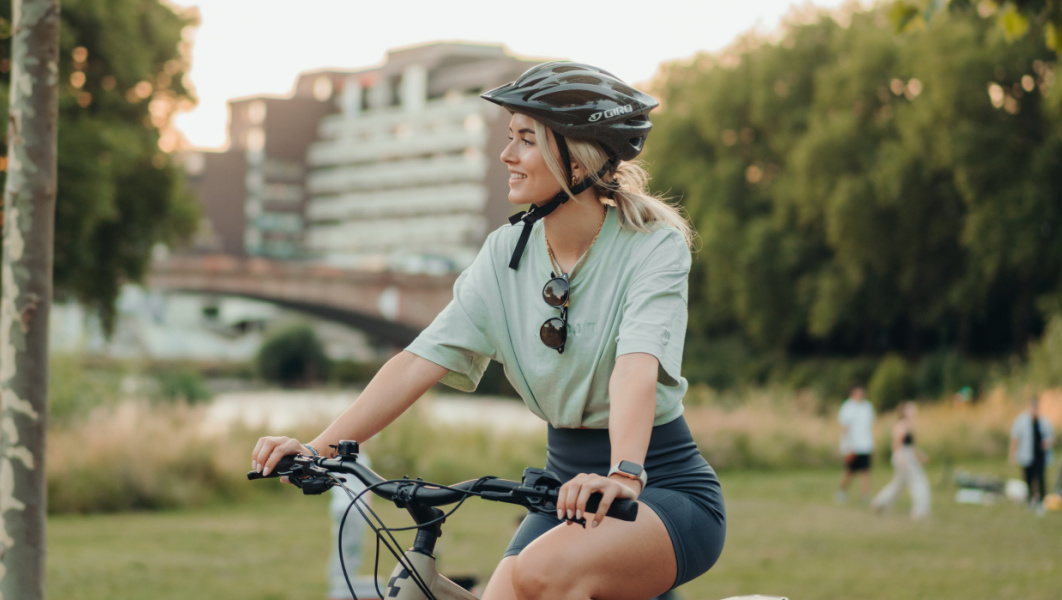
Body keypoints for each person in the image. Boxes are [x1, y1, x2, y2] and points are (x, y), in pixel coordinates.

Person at [252, 62, 725, 599]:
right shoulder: (505, 255)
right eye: (509, 137)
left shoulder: (651, 246)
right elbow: (417, 360)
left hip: (656, 488)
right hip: (559, 492)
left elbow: (635, 367)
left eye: (526, 139)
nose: (507, 155)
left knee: (535, 576)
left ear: (577, 159)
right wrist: (319, 450)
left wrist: (622, 473)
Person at [327, 451, 382, 600]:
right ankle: (342, 585)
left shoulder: (333, 456)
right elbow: (368, 485)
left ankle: (340, 583)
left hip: (340, 506)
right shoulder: (361, 457)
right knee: (351, 547)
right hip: (353, 507)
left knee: (343, 545)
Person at [870, 402, 931, 519]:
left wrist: (921, 455)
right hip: (903, 458)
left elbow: (910, 445)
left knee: (898, 485)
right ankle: (919, 512)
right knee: (919, 482)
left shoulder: (909, 425)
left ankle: (879, 503)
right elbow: (896, 445)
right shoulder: (902, 425)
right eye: (910, 409)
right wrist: (902, 459)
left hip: (906, 456)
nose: (914, 410)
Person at [1008, 395, 1055, 513]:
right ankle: (1029, 500)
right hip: (1026, 455)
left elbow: (1051, 436)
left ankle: (1041, 501)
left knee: (1041, 479)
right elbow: (1015, 437)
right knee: (1028, 479)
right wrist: (1011, 454)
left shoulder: (1043, 420)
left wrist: (1047, 443)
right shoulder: (1022, 420)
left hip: (1040, 456)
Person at [835, 385, 875, 504]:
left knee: (865, 471)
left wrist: (872, 444)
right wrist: (846, 446)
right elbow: (844, 428)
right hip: (852, 446)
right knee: (849, 472)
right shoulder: (847, 407)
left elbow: (869, 428)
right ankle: (842, 491)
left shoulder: (867, 407)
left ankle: (864, 496)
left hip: (865, 445)